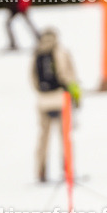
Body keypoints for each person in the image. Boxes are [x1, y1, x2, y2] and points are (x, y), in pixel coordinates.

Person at [32, 29, 80, 182]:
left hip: (43, 101)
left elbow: (32, 78)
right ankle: (68, 170)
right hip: (61, 99)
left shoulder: (37, 53)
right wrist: (75, 95)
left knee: (43, 138)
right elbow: (68, 75)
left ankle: (41, 171)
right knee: (64, 136)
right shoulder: (60, 51)